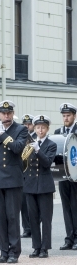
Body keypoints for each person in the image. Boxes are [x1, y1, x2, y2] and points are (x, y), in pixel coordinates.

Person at [0, 100, 28, 264]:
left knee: (12, 216)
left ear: (12, 113)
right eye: (3, 113)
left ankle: (14, 251)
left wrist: (2, 133)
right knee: (0, 217)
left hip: (13, 179)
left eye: (9, 113)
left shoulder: (21, 129)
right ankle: (3, 251)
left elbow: (17, 148)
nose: (7, 116)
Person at [24, 115, 56, 258]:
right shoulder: (28, 143)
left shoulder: (51, 145)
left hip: (44, 186)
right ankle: (36, 247)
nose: (40, 130)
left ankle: (45, 247)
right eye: (38, 127)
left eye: (43, 127)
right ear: (34, 128)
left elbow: (47, 163)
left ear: (47, 129)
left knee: (46, 218)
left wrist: (38, 150)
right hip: (30, 185)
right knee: (33, 218)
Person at [54, 103, 77, 250]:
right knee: (66, 207)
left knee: (76, 206)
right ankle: (69, 238)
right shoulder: (58, 131)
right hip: (63, 174)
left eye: (68, 115)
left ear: (74, 116)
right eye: (64, 116)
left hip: (76, 176)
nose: (66, 118)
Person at [20, 114, 35, 238]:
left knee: (34, 203)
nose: (26, 126)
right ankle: (26, 227)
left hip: (34, 173)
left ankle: (34, 225)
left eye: (29, 124)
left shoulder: (36, 138)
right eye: (24, 124)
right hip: (23, 172)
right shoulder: (21, 137)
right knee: (23, 203)